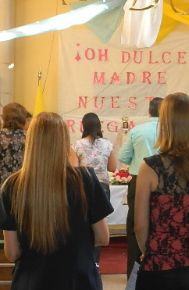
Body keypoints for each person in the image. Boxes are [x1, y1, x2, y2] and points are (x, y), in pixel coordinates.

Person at [0, 111, 113, 289]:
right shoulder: (86, 179)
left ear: (31, 141)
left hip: (32, 281)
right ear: (64, 142)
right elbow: (103, 237)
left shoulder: (12, 186)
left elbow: (12, 253)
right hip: (78, 279)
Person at [134, 93, 189, 290]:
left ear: (165, 125)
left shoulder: (150, 167)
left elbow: (140, 226)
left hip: (160, 265)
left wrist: (148, 250)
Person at [118, 96, 162, 277]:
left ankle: (135, 278)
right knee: (162, 228)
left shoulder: (137, 131)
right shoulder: (171, 131)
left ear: (149, 111)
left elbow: (124, 157)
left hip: (139, 182)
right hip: (165, 183)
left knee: (136, 228)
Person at [72, 112, 116, 263]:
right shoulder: (108, 144)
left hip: (83, 186)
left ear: (83, 126)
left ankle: (84, 257)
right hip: (102, 187)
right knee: (100, 224)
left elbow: (74, 168)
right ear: (99, 126)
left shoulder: (77, 145)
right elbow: (112, 167)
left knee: (83, 223)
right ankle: (96, 261)